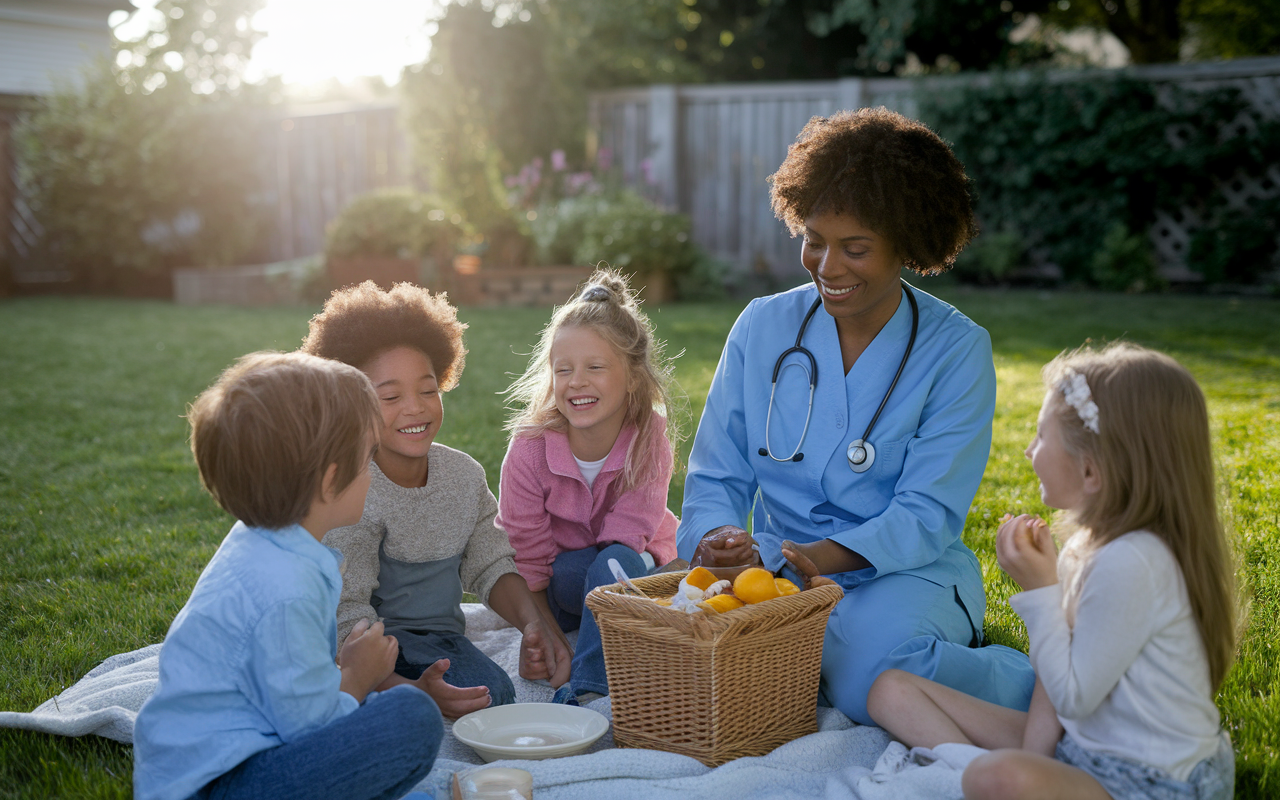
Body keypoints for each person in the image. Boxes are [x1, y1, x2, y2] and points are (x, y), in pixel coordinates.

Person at [676, 107, 1035, 725]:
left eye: (856, 248)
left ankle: (1046, 690)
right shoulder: (762, 327)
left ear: (907, 244)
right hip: (776, 565)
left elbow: (927, 515)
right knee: (690, 653)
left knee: (863, 675)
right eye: (814, 240)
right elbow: (717, 475)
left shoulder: (956, 349)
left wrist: (806, 559)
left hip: (903, 571)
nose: (827, 267)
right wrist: (716, 542)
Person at [865, 342, 1237, 800]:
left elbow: (1073, 695)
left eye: (1041, 437)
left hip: (1148, 783)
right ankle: (982, 775)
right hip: (1081, 748)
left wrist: (1041, 590)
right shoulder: (1088, 546)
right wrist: (1037, 759)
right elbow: (1053, 682)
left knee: (997, 778)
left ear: (1090, 472)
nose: (1027, 450)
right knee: (890, 689)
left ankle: (972, 778)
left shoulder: (1133, 562)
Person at [134, 351, 443, 800]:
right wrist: (359, 676)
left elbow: (284, 683)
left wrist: (340, 674)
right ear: (329, 480)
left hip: (228, 762)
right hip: (224, 785)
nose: (373, 474)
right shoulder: (286, 589)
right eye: (367, 457)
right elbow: (308, 726)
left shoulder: (261, 542)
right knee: (410, 716)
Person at [301, 281, 571, 716]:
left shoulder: (462, 475)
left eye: (428, 390)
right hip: (370, 646)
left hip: (442, 642)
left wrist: (533, 626)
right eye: (390, 396)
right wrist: (402, 687)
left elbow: (491, 563)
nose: (415, 408)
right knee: (482, 697)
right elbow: (345, 611)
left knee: (492, 694)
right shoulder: (351, 491)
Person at [497, 268, 680, 703]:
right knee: (567, 572)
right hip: (567, 579)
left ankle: (588, 690)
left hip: (634, 570)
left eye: (595, 367)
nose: (576, 381)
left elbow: (627, 539)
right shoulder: (529, 449)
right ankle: (598, 645)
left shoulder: (648, 436)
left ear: (633, 377)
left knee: (609, 564)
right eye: (564, 370)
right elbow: (529, 555)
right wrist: (542, 635)